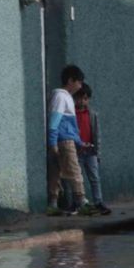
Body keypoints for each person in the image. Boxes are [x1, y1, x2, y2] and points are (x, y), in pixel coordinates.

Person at [46, 65, 97, 216]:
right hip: (64, 141)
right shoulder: (61, 96)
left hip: (65, 139)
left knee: (56, 173)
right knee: (75, 170)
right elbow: (54, 121)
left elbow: (69, 125)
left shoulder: (66, 97)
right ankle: (82, 202)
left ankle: (53, 204)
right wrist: (53, 142)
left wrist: (80, 142)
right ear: (70, 80)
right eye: (79, 82)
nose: (80, 86)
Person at [74, 83, 111, 215]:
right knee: (77, 178)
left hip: (90, 151)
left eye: (85, 98)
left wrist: (97, 152)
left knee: (95, 178)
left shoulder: (92, 114)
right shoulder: (71, 113)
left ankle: (98, 202)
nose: (82, 101)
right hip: (76, 151)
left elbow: (97, 134)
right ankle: (78, 203)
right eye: (80, 98)